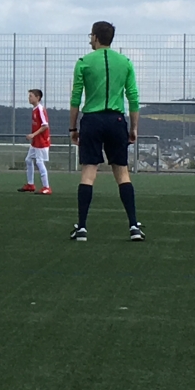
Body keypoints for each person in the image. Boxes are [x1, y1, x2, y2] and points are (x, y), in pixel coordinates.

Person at [69, 22, 144, 242]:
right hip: (116, 120)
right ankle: (134, 226)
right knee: (122, 173)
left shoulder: (83, 62)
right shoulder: (125, 62)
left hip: (92, 121)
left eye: (90, 36)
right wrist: (133, 128)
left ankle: (82, 228)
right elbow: (133, 97)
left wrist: (73, 127)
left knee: (88, 173)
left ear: (95, 37)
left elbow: (75, 98)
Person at [19, 89, 51, 194]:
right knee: (28, 160)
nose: (29, 98)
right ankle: (30, 184)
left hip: (41, 141)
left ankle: (46, 187)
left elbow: (45, 126)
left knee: (39, 162)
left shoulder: (40, 109)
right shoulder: (34, 109)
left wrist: (33, 135)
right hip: (36, 141)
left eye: (31, 96)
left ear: (38, 98)